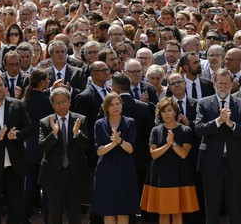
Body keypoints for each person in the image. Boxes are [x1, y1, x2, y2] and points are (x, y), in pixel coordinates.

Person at [195, 68, 241, 224]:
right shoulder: (204, 103)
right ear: (214, 84)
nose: (223, 87)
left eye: (226, 84)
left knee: (235, 206)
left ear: (232, 85)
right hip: (211, 162)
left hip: (234, 162)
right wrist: (219, 121)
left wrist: (231, 124)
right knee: (212, 207)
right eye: (219, 83)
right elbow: (199, 130)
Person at [141, 97, 199, 224]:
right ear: (160, 114)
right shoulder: (155, 130)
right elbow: (154, 154)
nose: (167, 114)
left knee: (178, 213)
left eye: (169, 110)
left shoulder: (186, 130)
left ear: (175, 112)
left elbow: (183, 154)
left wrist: (172, 143)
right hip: (160, 176)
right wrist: (167, 145)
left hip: (180, 175)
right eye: (163, 111)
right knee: (163, 213)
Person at [0, 72, 32, 224]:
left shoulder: (17, 105)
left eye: (1, 85)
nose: (0, 89)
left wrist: (17, 134)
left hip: (15, 168)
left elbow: (29, 128)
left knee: (16, 210)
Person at [38, 88, 90, 224]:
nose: (61, 105)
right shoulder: (45, 122)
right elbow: (42, 146)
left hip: (75, 175)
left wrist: (77, 133)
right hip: (54, 176)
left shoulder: (81, 119)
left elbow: (86, 146)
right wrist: (54, 134)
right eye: (57, 102)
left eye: (64, 101)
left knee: (75, 215)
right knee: (54, 216)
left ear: (70, 102)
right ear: (52, 104)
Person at [92, 93, 141, 223]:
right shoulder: (99, 124)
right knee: (108, 211)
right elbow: (99, 151)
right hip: (105, 170)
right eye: (112, 105)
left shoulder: (130, 122)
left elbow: (130, 149)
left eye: (118, 104)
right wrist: (113, 143)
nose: (115, 107)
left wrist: (119, 141)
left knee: (123, 210)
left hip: (124, 170)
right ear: (106, 108)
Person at [22, 69, 54, 224]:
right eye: (47, 80)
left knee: (29, 188)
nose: (48, 82)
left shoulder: (25, 100)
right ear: (42, 82)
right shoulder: (47, 100)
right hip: (45, 149)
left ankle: (23, 218)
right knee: (47, 189)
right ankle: (49, 219)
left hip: (29, 149)